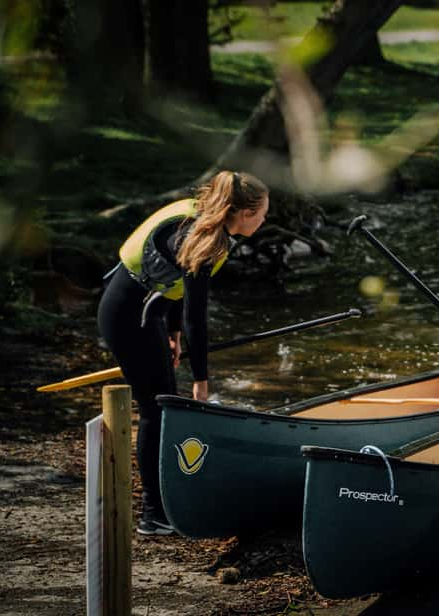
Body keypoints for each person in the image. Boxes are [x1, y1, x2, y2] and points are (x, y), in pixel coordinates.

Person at [97, 171, 269, 536]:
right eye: (262, 213)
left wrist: (172, 334)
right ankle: (153, 514)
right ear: (242, 212)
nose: (265, 220)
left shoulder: (202, 223)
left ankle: (162, 504)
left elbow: (173, 286)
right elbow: (196, 317)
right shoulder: (207, 241)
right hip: (127, 317)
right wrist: (202, 382)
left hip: (147, 313)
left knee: (161, 404)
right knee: (156, 410)